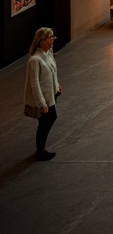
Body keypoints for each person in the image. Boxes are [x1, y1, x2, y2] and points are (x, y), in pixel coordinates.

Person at [24, 26, 60, 161]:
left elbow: (52, 72)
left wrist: (57, 86)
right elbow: (34, 84)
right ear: (42, 40)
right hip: (43, 99)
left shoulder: (48, 54)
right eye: (50, 37)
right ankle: (40, 150)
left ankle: (41, 149)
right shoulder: (35, 60)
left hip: (51, 95)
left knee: (48, 120)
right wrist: (41, 103)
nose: (53, 39)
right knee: (47, 120)